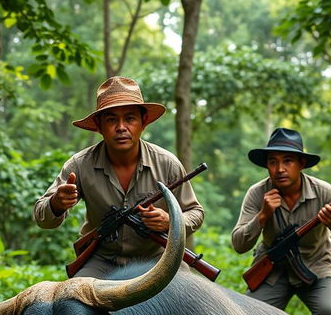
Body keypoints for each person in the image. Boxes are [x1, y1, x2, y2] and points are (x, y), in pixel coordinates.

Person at [34, 76, 204, 277]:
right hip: (101, 262)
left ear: (143, 123)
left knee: (186, 297)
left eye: (130, 118)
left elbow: (195, 212)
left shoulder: (167, 163)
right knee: (73, 298)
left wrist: (170, 221)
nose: (121, 127)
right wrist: (57, 203)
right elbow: (42, 217)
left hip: (156, 260)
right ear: (99, 126)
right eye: (111, 119)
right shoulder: (79, 165)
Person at [231, 127, 331, 315]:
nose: (279, 169)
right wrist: (262, 216)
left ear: (301, 164)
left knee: (330, 312)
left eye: (288, 161)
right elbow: (238, 244)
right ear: (266, 165)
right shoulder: (257, 193)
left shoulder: (325, 192)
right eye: (273, 161)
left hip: (317, 266)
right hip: (273, 270)